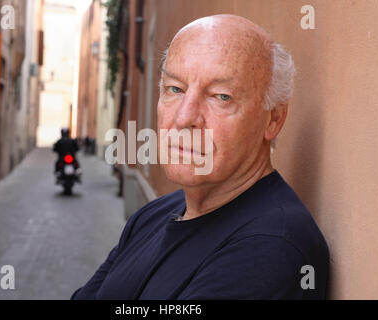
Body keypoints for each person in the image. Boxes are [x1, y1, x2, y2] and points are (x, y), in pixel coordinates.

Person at [72, 14, 329, 300]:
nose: (184, 118)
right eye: (174, 89)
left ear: (273, 119)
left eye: (220, 96)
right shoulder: (152, 215)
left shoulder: (270, 246)